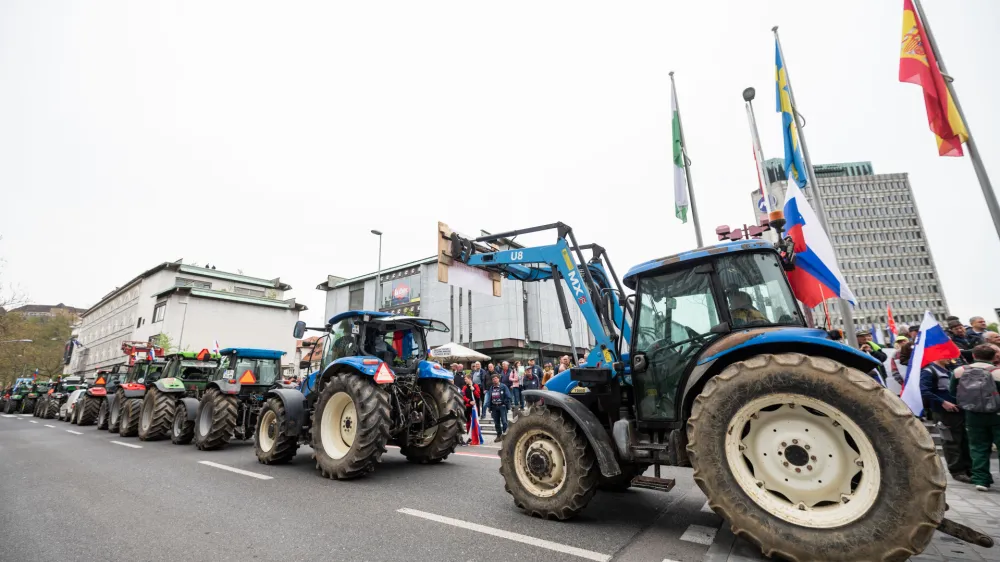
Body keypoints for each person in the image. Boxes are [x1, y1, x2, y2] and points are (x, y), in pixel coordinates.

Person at [950, 345, 1000, 491]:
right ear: (993, 357)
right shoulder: (997, 372)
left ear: (973, 355)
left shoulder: (959, 371)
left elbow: (952, 391)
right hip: (997, 415)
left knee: (977, 447)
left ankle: (981, 480)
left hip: (972, 414)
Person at [921, 358, 973, 483]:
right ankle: (957, 471)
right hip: (943, 412)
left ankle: (968, 468)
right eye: (947, 355)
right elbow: (924, 390)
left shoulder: (950, 369)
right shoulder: (929, 371)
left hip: (958, 409)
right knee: (951, 441)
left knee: (963, 440)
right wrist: (942, 402)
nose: (951, 358)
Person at [486, 374, 512, 441]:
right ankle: (499, 435)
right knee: (496, 423)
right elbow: (490, 397)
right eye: (493, 379)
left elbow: (508, 396)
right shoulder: (491, 387)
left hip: (502, 406)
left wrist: (504, 403)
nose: (494, 380)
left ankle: (505, 436)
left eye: (496, 378)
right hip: (494, 407)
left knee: (504, 422)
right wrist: (489, 407)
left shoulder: (503, 386)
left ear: (498, 379)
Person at [459, 375, 481, 445]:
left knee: (474, 422)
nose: (465, 381)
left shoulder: (476, 385)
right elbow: (463, 396)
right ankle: (469, 436)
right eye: (465, 379)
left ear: (469, 379)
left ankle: (475, 437)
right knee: (468, 422)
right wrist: (469, 401)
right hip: (467, 406)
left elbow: (478, 395)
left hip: (474, 407)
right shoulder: (464, 387)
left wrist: (473, 389)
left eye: (466, 379)